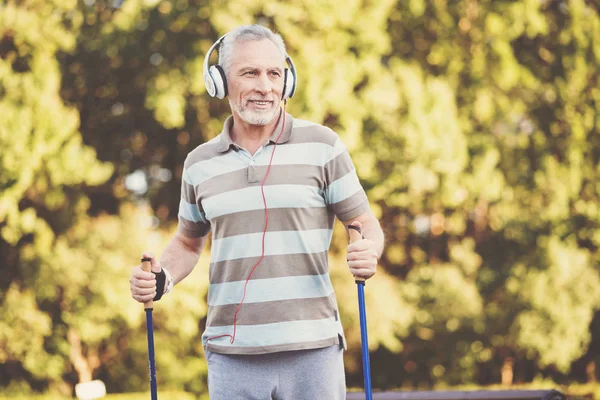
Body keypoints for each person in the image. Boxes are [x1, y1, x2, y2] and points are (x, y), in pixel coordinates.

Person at [130, 24, 384, 400]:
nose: (265, 86)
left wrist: (370, 250)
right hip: (231, 356)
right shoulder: (199, 164)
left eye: (275, 73)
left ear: (288, 80)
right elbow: (187, 242)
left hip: (313, 349)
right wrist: (162, 278)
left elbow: (365, 225)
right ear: (219, 81)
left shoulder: (324, 146)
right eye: (250, 73)